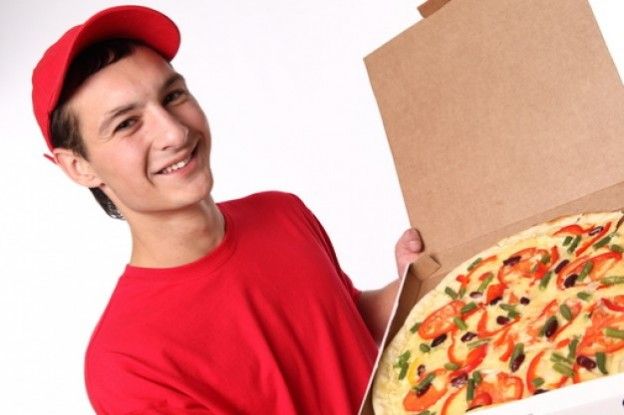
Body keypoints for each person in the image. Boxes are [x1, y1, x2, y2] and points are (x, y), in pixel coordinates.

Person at [31, 5, 423, 414]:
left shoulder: (281, 212)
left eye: (173, 96)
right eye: (127, 123)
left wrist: (409, 286)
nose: (174, 131)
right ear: (78, 166)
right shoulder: (125, 364)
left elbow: (346, 329)